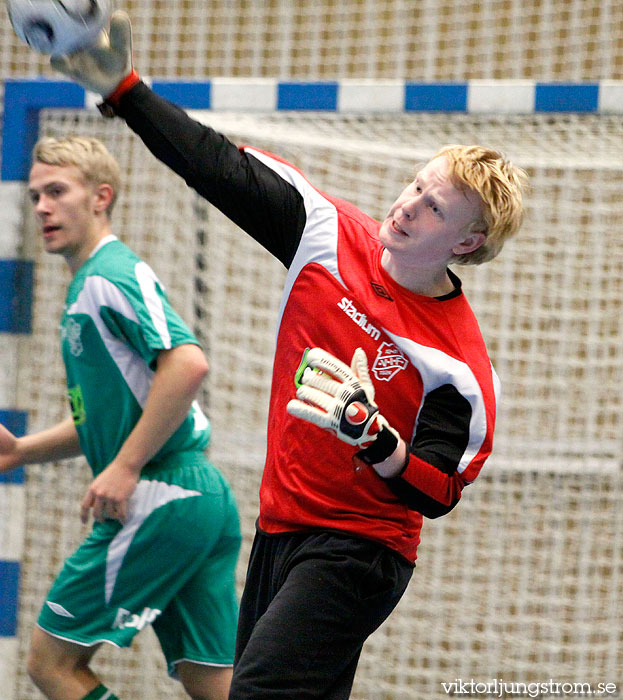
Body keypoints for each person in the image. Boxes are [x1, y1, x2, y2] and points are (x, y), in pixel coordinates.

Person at [49, 12, 529, 699]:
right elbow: (213, 164)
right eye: (415, 185)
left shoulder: (455, 365)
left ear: (463, 244)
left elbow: (438, 489)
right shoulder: (326, 234)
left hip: (361, 552)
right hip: (279, 528)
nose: (407, 205)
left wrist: (376, 439)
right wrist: (124, 89)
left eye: (434, 208)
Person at [0, 135, 241, 700]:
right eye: (36, 195)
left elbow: (187, 365)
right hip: (198, 500)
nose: (42, 206)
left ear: (100, 197)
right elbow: (114, 416)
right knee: (218, 686)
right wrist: (23, 450)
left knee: (50, 662)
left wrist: (126, 465)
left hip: (163, 493)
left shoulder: (108, 276)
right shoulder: (88, 287)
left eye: (57, 191)